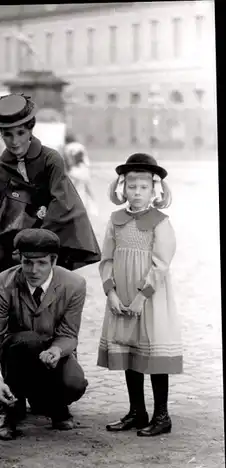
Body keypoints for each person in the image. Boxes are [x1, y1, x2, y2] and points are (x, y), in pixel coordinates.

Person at [97, 153, 182, 437]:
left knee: (152, 350)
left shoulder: (160, 222)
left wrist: (141, 297)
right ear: (123, 188)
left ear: (154, 190)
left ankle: (161, 415)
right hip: (121, 297)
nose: (137, 192)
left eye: (143, 187)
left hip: (149, 298)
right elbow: (106, 258)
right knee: (129, 350)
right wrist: (111, 292)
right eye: (132, 186)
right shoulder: (115, 220)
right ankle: (137, 411)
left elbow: (161, 264)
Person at [0, 228, 89, 440]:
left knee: (74, 384)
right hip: (14, 356)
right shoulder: (4, 283)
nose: (33, 270)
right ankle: (8, 412)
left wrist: (56, 349)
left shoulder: (74, 285)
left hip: (52, 357)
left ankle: (53, 404)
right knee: (27, 341)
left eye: (42, 263)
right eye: (27, 262)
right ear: (19, 259)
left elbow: (69, 334)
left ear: (54, 261)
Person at [0, 93, 101, 273]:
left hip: (52, 241)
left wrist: (35, 240)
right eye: (7, 134)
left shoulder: (50, 159)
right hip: (16, 250)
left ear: (31, 129)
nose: (15, 141)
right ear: (0, 134)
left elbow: (62, 202)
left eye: (21, 133)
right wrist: (9, 248)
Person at [63, 138, 99, 219]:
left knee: (73, 190)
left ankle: (73, 210)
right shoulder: (81, 146)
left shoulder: (67, 147)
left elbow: (68, 161)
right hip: (84, 169)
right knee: (89, 190)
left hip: (74, 171)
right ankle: (93, 209)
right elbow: (86, 160)